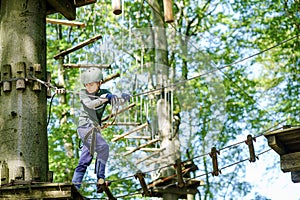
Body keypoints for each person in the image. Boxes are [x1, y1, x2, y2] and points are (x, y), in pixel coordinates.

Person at [72, 67, 130, 193]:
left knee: (84, 160)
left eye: (91, 84)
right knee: (103, 147)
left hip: (93, 130)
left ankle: (75, 187)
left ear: (99, 83)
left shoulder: (104, 92)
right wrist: (104, 98)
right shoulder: (83, 93)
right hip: (85, 127)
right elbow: (89, 105)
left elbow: (116, 102)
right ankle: (100, 179)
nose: (88, 87)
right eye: (86, 84)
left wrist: (121, 98)